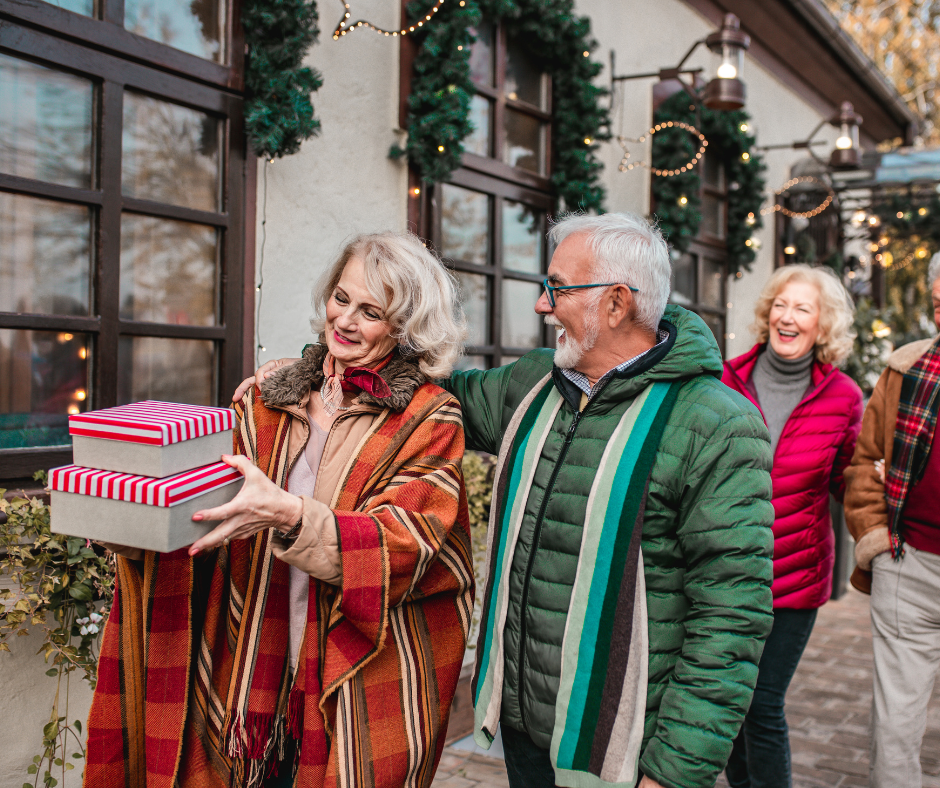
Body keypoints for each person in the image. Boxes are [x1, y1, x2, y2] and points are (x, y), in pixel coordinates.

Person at [241, 212, 776, 788]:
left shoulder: (716, 425)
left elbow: (732, 615)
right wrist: (306, 369)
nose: (544, 306)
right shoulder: (534, 385)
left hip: (625, 740)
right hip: (525, 724)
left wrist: (673, 772)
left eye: (558, 288)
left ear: (617, 303)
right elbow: (411, 387)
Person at [85, 232, 475, 788]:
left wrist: (289, 515)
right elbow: (204, 507)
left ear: (404, 326)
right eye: (342, 298)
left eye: (371, 312)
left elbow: (406, 540)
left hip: (352, 666)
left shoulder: (428, 418)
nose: (345, 320)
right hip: (245, 663)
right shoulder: (267, 400)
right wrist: (127, 520)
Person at [721, 264, 863, 788]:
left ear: (821, 323)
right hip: (726, 571)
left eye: (803, 308)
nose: (788, 317)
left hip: (795, 580)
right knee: (727, 704)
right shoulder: (724, 379)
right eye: (781, 305)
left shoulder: (844, 397)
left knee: (762, 703)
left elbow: (851, 483)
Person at [844, 252, 940, 788]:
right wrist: (877, 541)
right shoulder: (906, 369)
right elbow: (864, 461)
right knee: (896, 726)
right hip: (911, 567)